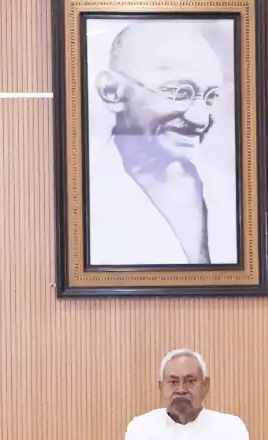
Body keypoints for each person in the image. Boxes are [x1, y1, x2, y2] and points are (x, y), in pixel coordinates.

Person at [87, 19, 237, 266]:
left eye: (210, 97)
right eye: (180, 93)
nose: (199, 120)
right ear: (112, 91)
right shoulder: (82, 193)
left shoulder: (230, 189)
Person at [120, 349, 249, 440]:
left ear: (205, 386)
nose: (181, 390)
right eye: (173, 382)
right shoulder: (141, 426)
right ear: (161, 387)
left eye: (190, 381)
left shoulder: (231, 426)